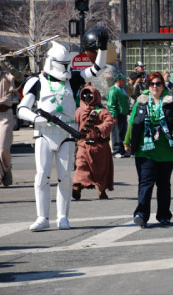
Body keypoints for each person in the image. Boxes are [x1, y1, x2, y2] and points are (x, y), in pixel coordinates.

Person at [17, 28, 108, 231]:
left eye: (67, 64)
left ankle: (62, 217)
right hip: (44, 133)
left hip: (66, 134)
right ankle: (42, 216)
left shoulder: (73, 80)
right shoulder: (37, 82)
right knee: (42, 175)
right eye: (62, 64)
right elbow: (22, 109)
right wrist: (36, 118)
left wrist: (102, 47)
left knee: (65, 177)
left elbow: (97, 68)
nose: (65, 68)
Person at [124, 72, 173, 228]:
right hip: (145, 150)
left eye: (158, 83)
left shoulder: (170, 102)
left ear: (163, 85)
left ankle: (164, 215)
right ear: (148, 86)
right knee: (145, 183)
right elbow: (133, 123)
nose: (155, 87)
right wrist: (127, 141)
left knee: (163, 185)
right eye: (152, 84)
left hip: (166, 152)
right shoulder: (141, 102)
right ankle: (141, 215)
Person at [72, 86, 114, 200]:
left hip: (99, 146)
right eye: (85, 95)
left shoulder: (102, 111)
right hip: (83, 145)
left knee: (101, 171)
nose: (87, 98)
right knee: (81, 166)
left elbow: (109, 122)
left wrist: (99, 128)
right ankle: (77, 186)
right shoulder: (79, 111)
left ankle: (102, 190)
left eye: (90, 95)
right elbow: (73, 122)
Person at [0, 58, 24, 186]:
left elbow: (20, 79)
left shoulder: (6, 75)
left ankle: (7, 169)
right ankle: (0, 176)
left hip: (4, 114)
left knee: (3, 148)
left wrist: (9, 67)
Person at [108, 74, 130, 158]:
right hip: (117, 115)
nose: (124, 82)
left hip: (123, 115)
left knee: (123, 133)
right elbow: (111, 105)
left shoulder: (121, 90)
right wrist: (114, 116)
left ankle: (122, 150)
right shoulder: (113, 91)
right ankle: (115, 150)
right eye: (123, 80)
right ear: (118, 80)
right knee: (116, 133)